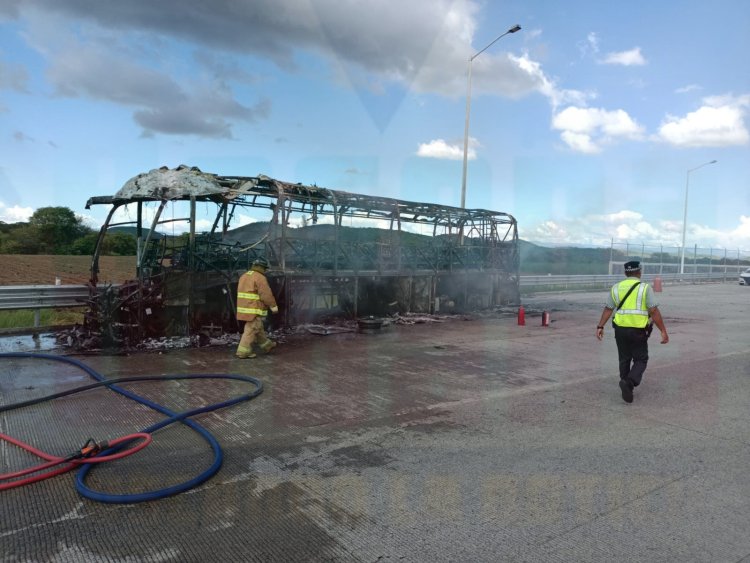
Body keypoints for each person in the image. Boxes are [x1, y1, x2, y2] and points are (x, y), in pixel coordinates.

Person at [596, 260, 669, 403]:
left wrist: (600, 326)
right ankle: (629, 383)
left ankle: (625, 383)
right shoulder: (644, 288)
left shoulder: (616, 287)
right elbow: (653, 310)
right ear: (639, 272)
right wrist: (663, 331)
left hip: (620, 329)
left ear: (625, 273)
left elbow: (608, 309)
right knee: (641, 359)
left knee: (624, 358)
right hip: (638, 329)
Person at [235, 257, 279, 359]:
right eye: (264, 268)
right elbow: (266, 294)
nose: (265, 270)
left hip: (244, 308)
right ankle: (243, 352)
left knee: (258, 327)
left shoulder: (244, 276)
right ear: (261, 267)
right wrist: (273, 306)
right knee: (251, 329)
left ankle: (267, 346)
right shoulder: (259, 277)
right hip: (253, 308)